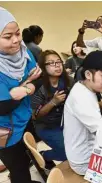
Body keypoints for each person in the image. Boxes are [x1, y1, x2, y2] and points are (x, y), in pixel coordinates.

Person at [62, 50, 102, 175]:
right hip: (85, 162)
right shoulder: (81, 97)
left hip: (88, 151)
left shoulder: (85, 88)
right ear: (88, 74)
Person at [0, 7, 42, 183]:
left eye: (17, 33)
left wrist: (23, 89)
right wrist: (28, 83)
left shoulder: (24, 52)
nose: (16, 40)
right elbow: (3, 107)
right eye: (8, 37)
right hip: (5, 132)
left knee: (28, 157)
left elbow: (40, 78)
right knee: (18, 170)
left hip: (24, 119)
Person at [31, 50, 73, 169]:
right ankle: (44, 155)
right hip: (47, 127)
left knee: (80, 146)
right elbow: (36, 115)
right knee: (66, 153)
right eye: (51, 63)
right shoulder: (38, 87)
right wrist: (53, 102)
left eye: (59, 62)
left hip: (66, 122)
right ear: (43, 67)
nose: (57, 65)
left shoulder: (68, 81)